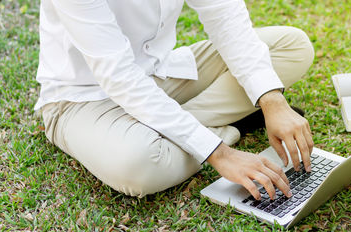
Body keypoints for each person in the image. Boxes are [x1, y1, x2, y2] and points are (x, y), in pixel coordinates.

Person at [36, 0, 315, 201]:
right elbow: (117, 75)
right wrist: (219, 153)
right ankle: (230, 127)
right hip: (83, 99)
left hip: (160, 74)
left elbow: (225, 17)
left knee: (292, 46)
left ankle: (165, 131)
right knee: (138, 165)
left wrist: (272, 100)